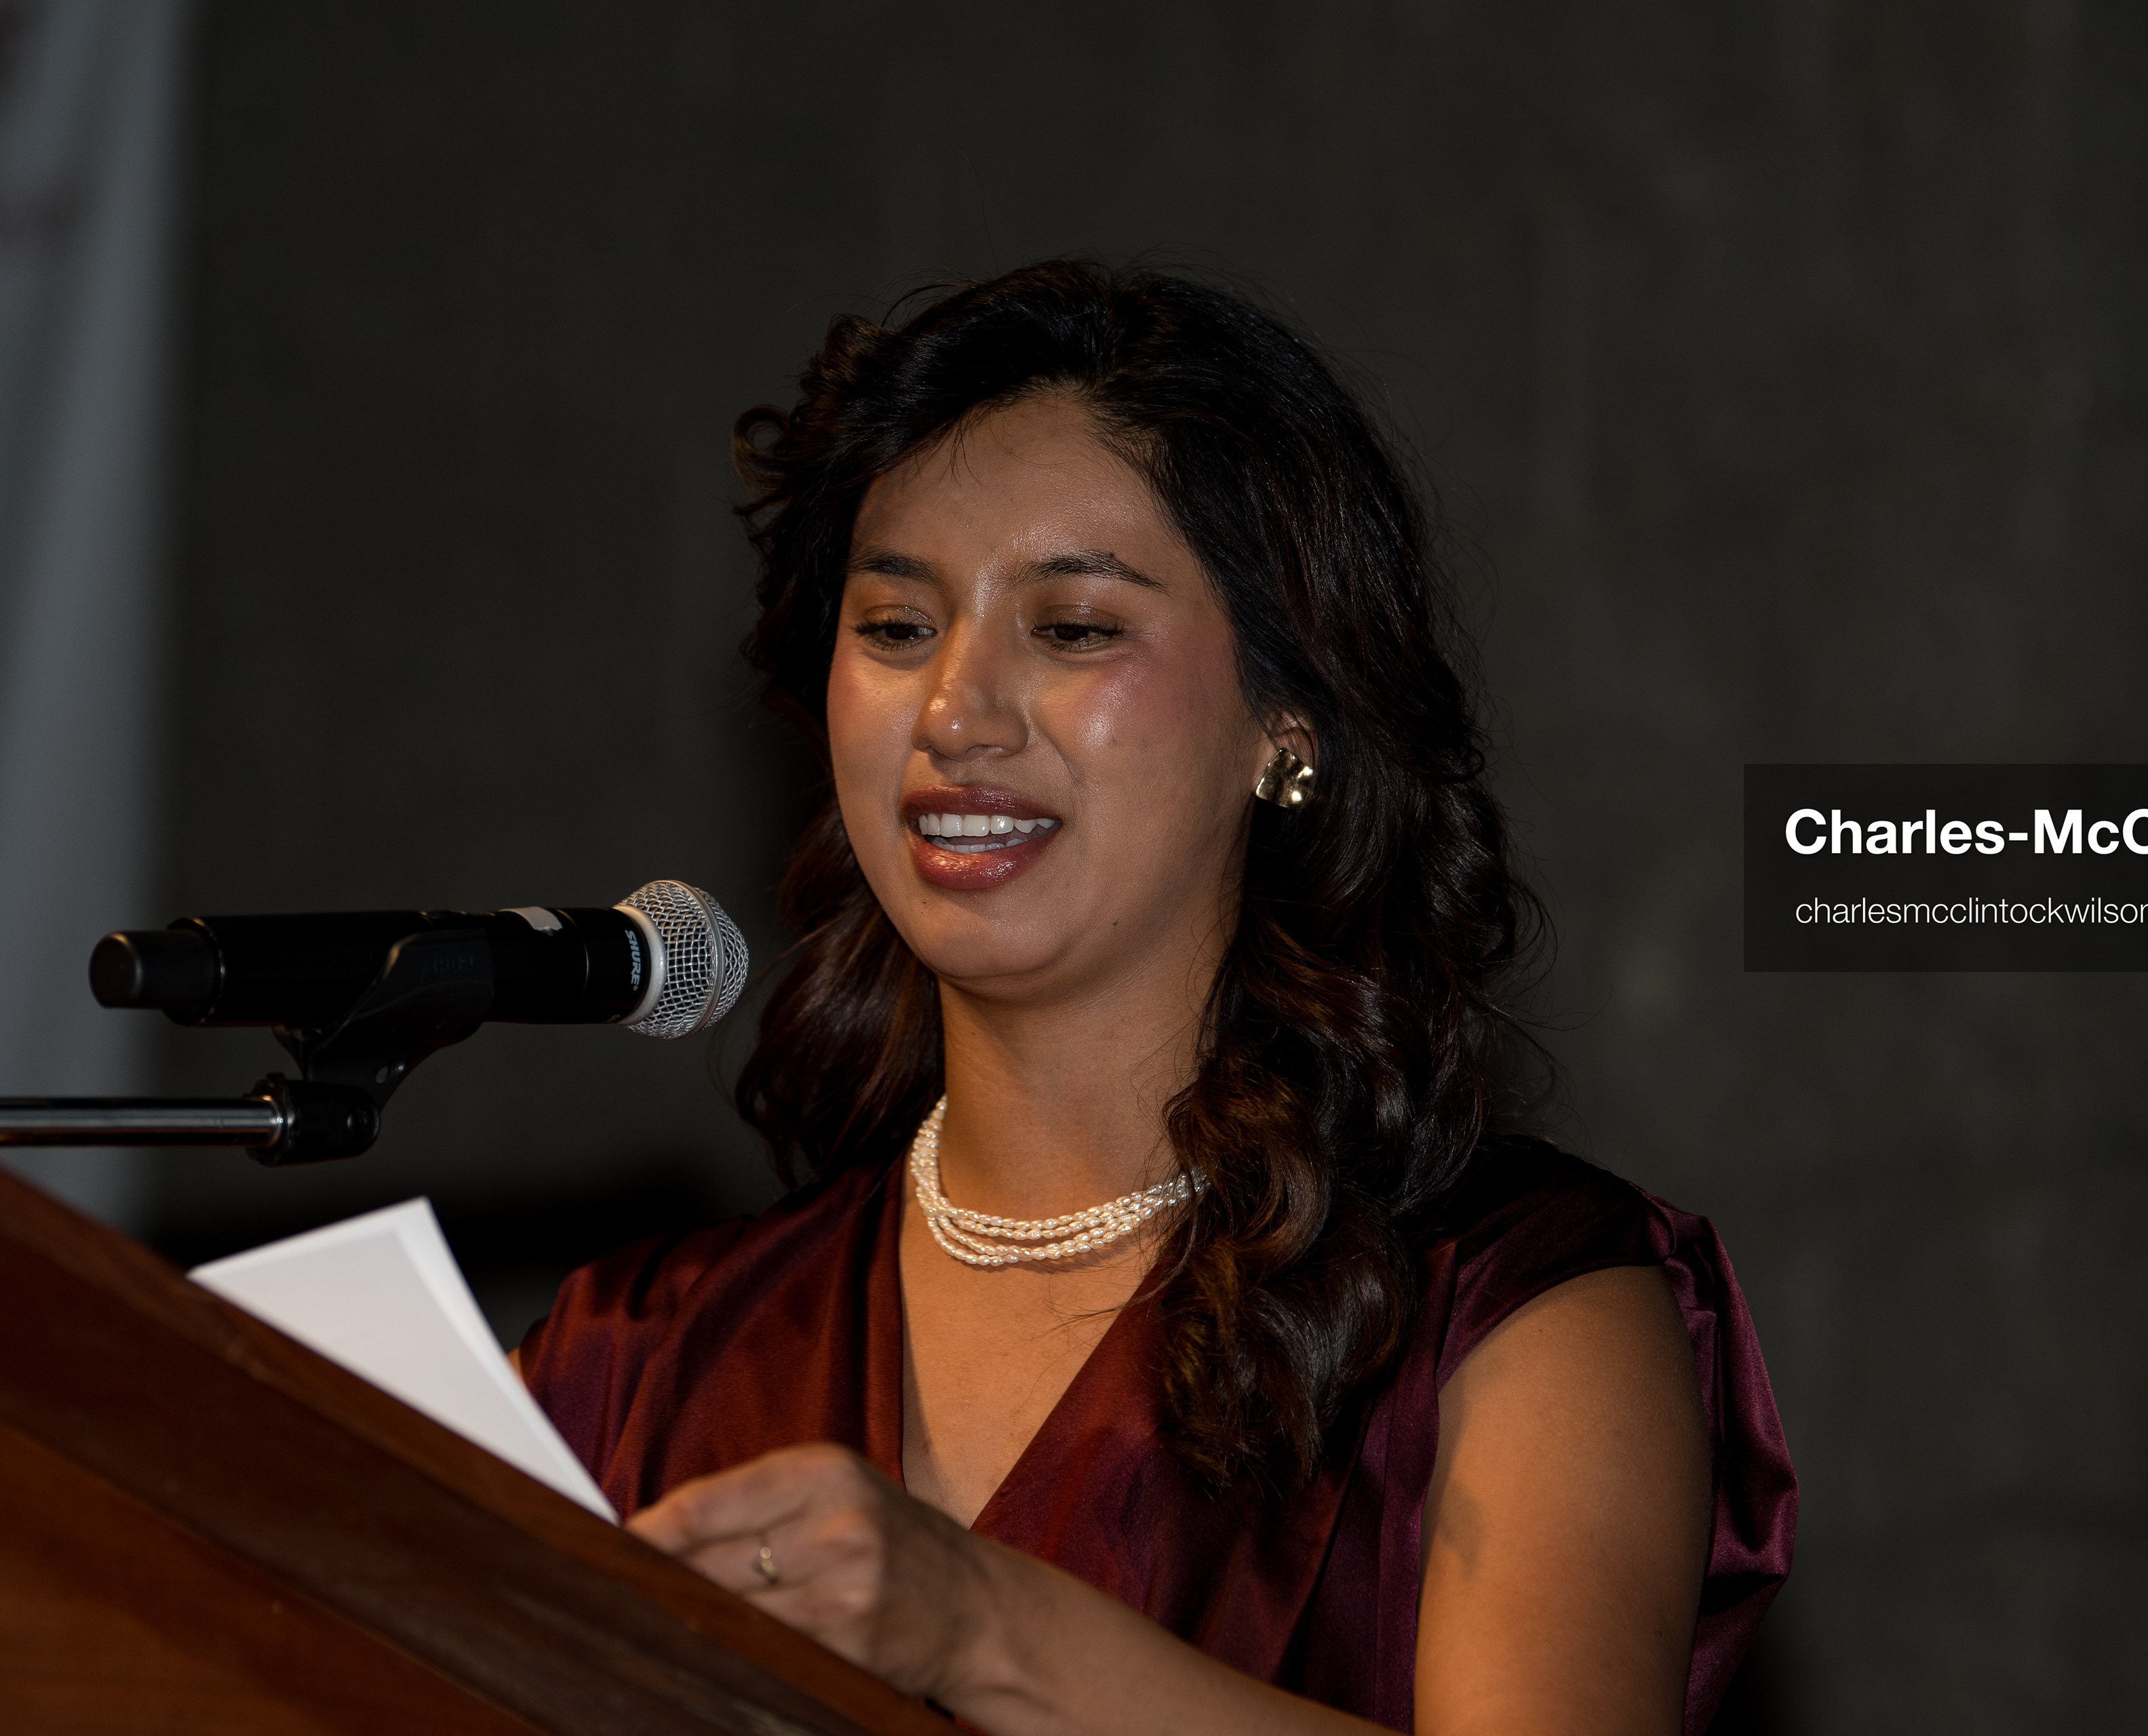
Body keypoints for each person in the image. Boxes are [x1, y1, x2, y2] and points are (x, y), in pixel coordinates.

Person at [517, 260, 1794, 1735]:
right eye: (896, 626)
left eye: (1073, 628)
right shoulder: (634, 1357)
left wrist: (980, 1624)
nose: (954, 712)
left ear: (1287, 720)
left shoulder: (1513, 1302)